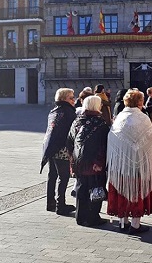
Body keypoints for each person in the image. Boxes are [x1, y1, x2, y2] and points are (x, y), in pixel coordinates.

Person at [107, 89, 152, 234]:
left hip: (121, 165)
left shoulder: (119, 117)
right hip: (139, 165)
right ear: (140, 102)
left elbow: (112, 137)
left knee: (123, 191)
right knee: (136, 192)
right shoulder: (143, 118)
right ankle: (135, 224)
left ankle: (123, 222)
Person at [66, 95, 109, 227]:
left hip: (79, 161)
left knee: (81, 187)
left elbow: (69, 142)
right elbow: (104, 145)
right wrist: (101, 163)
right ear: (96, 106)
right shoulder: (100, 123)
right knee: (95, 188)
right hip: (94, 163)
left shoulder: (77, 121)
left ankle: (80, 216)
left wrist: (72, 160)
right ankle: (93, 217)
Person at [40, 88, 77, 215]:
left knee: (52, 175)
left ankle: (50, 203)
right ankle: (61, 205)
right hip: (62, 148)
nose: (74, 100)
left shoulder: (54, 111)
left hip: (51, 147)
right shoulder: (69, 112)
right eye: (71, 98)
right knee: (64, 176)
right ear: (64, 99)